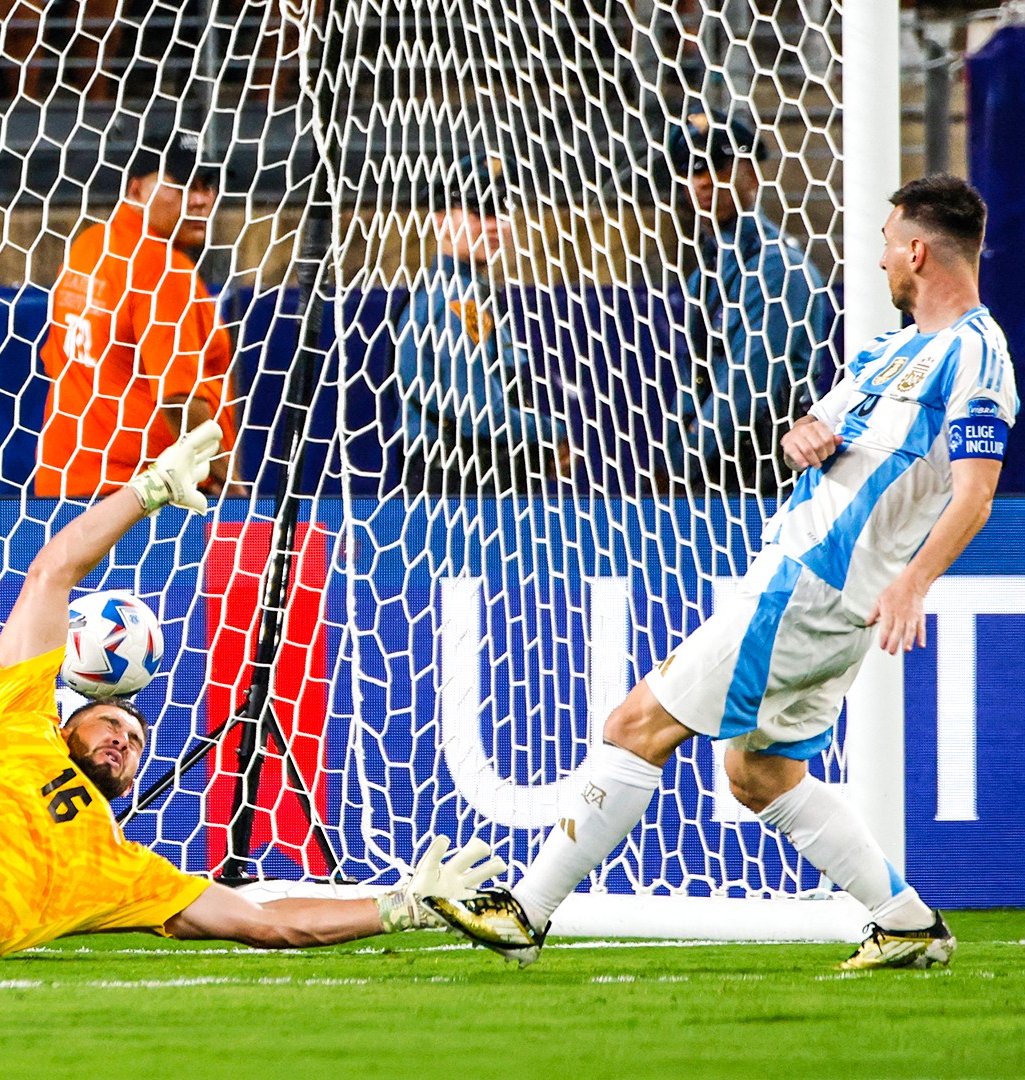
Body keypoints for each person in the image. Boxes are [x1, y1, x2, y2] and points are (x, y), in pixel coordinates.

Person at [425, 175, 1018, 970]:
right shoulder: (888, 350)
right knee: (759, 770)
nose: (879, 260)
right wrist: (804, 436)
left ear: (917, 249)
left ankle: (525, 915)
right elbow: (816, 433)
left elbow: (976, 495)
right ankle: (905, 923)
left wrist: (913, 582)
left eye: (885, 242)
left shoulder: (977, 354)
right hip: (812, 584)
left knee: (636, 725)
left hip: (809, 586)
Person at [0, 422, 502, 960]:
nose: (124, 741)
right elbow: (52, 574)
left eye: (137, 742)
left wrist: (400, 906)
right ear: (67, 724)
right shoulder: (17, 719)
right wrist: (148, 491)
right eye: (111, 723)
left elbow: (265, 921)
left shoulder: (121, 872)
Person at [36, 129, 241, 500]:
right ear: (135, 190)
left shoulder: (89, 246)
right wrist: (229, 483)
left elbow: (58, 361)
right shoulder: (163, 269)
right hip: (142, 503)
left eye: (207, 185)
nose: (201, 201)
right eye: (182, 186)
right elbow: (179, 398)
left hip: (64, 485)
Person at [663, 110, 827, 495]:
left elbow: (748, 387)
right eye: (691, 169)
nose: (702, 181)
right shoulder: (705, 271)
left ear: (750, 173)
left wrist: (683, 463)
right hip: (717, 468)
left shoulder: (776, 268)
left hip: (762, 472)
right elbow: (696, 378)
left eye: (716, 166)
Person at [395, 153, 569, 495]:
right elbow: (478, 411)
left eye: (500, 212)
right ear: (441, 220)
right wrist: (552, 431)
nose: (493, 225)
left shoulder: (468, 293)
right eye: (478, 211)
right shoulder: (459, 300)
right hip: (462, 486)